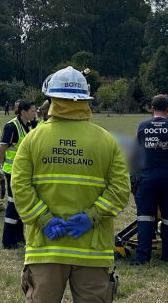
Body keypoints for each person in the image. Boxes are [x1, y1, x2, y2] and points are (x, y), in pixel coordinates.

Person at [12, 66, 130, 302]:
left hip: (46, 248)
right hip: (92, 250)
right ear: (85, 100)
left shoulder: (33, 139)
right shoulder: (106, 140)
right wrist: (92, 216)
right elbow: (120, 190)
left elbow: (20, 186)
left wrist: (44, 218)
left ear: (52, 99)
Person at [134, 94, 168, 264]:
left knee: (145, 217)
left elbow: (136, 152)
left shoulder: (142, 126)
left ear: (152, 108)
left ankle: (142, 257)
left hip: (147, 177)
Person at [0, 100, 36, 248]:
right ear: (23, 112)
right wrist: (0, 167)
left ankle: (18, 237)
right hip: (11, 171)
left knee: (21, 204)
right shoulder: (11, 126)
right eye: (32, 110)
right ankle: (8, 240)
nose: (35, 113)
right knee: (13, 204)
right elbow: (2, 148)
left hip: (23, 172)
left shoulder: (28, 125)